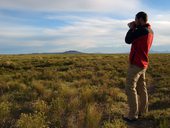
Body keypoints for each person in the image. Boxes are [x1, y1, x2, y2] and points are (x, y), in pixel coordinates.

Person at [123, 11, 154, 122]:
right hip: (143, 63)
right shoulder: (150, 31)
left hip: (136, 64)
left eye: (136, 19)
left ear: (140, 19)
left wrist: (131, 27)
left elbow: (127, 40)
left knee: (130, 87)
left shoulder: (141, 30)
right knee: (142, 88)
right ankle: (143, 111)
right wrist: (135, 26)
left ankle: (133, 115)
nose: (134, 21)